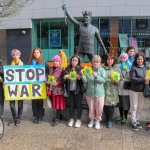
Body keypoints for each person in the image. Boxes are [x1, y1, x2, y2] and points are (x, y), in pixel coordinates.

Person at [81, 55, 106, 129]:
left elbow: (103, 80)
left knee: (99, 108)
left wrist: (97, 76)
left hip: (100, 93)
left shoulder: (102, 70)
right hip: (90, 92)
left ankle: (97, 120)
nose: (95, 63)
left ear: (100, 63)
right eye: (94, 61)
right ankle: (91, 120)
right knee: (91, 108)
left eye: (97, 62)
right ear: (92, 62)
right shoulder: (88, 69)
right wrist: (82, 75)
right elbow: (85, 81)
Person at [29, 47, 49, 124]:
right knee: (34, 101)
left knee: (40, 101)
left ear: (40, 53)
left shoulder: (44, 62)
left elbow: (48, 72)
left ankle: (40, 116)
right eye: (35, 52)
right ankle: (35, 116)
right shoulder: (31, 62)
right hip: (33, 84)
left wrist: (45, 78)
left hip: (41, 84)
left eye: (37, 52)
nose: (36, 54)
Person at [63, 55, 84, 128]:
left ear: (78, 62)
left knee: (79, 104)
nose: (74, 62)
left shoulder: (81, 69)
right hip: (70, 89)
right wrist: (65, 78)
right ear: (71, 60)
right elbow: (64, 81)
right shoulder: (67, 68)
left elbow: (83, 81)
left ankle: (78, 119)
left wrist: (80, 78)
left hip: (78, 90)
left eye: (75, 61)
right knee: (71, 104)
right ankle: (71, 118)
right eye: (73, 60)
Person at [129, 52, 147, 131]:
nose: (140, 61)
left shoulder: (145, 68)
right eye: (138, 59)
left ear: (143, 60)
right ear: (136, 60)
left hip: (143, 90)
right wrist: (143, 79)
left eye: (141, 59)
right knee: (134, 107)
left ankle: (137, 120)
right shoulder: (133, 68)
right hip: (134, 91)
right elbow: (133, 79)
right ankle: (133, 122)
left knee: (140, 107)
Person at [48, 55, 65, 127]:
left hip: (58, 90)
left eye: (57, 61)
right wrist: (47, 81)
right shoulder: (50, 69)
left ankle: (57, 118)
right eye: (54, 61)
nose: (55, 62)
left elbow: (64, 81)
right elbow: (48, 77)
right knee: (54, 103)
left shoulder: (62, 70)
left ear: (59, 62)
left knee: (58, 104)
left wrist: (58, 83)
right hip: (52, 89)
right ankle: (59, 116)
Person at [103, 54, 120, 128]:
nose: (110, 61)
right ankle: (106, 119)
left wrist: (117, 81)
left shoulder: (116, 69)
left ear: (113, 60)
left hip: (113, 89)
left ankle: (109, 120)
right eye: (108, 59)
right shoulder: (102, 68)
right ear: (106, 60)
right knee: (105, 105)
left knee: (111, 105)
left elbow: (120, 78)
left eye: (111, 59)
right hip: (104, 88)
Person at [8, 49, 24, 126]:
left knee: (20, 104)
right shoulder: (9, 65)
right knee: (11, 105)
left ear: (19, 55)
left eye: (16, 55)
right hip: (12, 87)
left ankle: (18, 118)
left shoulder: (23, 65)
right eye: (14, 55)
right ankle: (15, 118)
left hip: (21, 87)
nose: (15, 56)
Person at [115, 53, 131, 125]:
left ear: (127, 58)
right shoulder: (117, 66)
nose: (123, 59)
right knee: (120, 103)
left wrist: (128, 72)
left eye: (124, 58)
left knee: (126, 103)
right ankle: (121, 116)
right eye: (121, 58)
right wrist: (116, 78)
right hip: (119, 86)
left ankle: (125, 117)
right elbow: (115, 74)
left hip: (126, 86)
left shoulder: (130, 65)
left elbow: (131, 77)